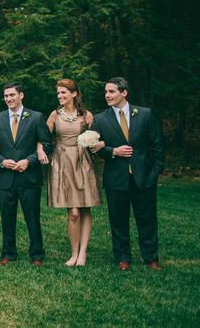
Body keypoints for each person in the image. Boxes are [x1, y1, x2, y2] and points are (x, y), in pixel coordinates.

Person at [89, 77, 164, 271]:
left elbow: (157, 146)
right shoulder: (100, 118)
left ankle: (151, 258)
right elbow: (92, 147)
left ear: (124, 92)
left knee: (147, 219)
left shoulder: (145, 114)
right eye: (106, 92)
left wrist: (154, 173)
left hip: (144, 178)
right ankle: (122, 258)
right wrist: (113, 151)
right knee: (118, 220)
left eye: (112, 91)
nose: (107, 95)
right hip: (116, 179)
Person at [38, 79, 101, 267]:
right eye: (58, 93)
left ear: (74, 94)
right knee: (73, 212)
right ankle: (73, 253)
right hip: (62, 160)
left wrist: (98, 143)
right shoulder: (55, 115)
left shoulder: (87, 115)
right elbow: (43, 136)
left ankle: (83, 254)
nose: (60, 96)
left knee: (85, 206)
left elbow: (98, 136)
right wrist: (41, 149)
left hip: (83, 162)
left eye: (64, 93)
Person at [0, 81, 52, 266]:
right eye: (6, 96)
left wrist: (29, 161)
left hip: (29, 176)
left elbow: (46, 144)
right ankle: (8, 253)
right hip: (6, 178)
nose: (8, 99)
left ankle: (37, 254)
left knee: (32, 217)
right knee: (7, 218)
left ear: (21, 95)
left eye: (12, 95)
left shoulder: (36, 117)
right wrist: (1, 161)